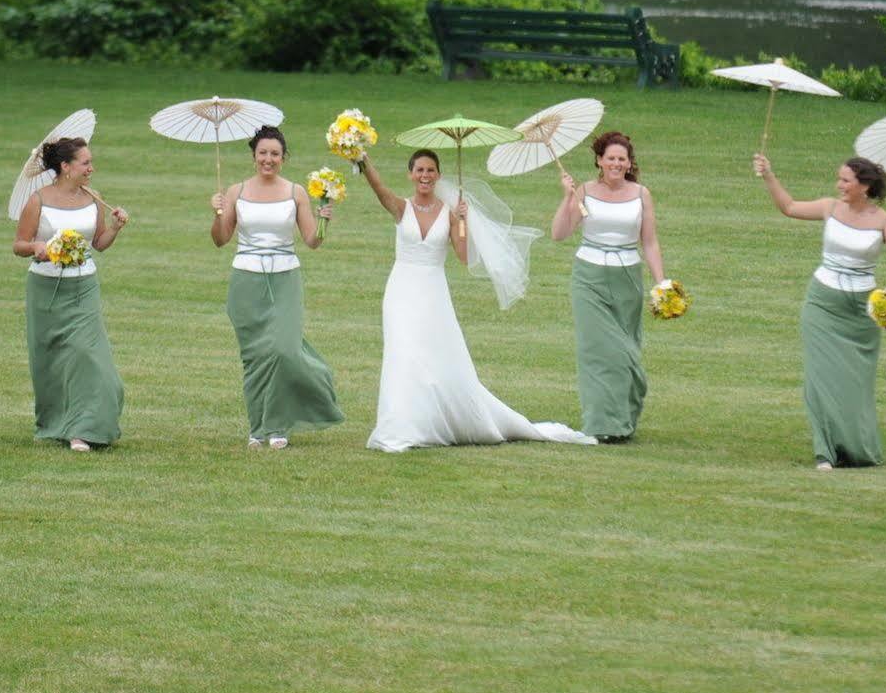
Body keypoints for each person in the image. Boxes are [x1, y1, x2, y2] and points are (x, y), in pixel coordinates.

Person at [360, 149, 592, 452]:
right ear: (410, 174)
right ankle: (401, 424)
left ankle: (442, 417)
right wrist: (363, 160)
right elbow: (379, 189)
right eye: (419, 170)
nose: (425, 176)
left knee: (436, 352)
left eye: (431, 171)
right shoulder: (401, 208)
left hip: (432, 288)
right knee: (403, 351)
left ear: (439, 175)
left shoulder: (449, 211)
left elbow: (464, 256)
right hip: (401, 288)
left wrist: (463, 223)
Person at [756, 153, 886, 470]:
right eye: (839, 179)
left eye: (845, 180)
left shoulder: (884, 221)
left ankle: (857, 449)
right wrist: (768, 175)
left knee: (856, 383)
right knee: (820, 379)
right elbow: (789, 207)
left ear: (865, 185)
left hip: (862, 312)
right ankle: (825, 452)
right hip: (822, 304)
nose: (839, 185)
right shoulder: (829, 207)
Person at [209, 125, 343, 449]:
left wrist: (324, 220)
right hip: (246, 279)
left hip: (285, 277)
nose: (268, 159)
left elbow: (312, 241)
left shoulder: (296, 192)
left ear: (283, 158)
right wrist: (217, 213)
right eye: (263, 153)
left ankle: (280, 422)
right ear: (254, 156)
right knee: (255, 357)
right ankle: (259, 428)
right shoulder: (235, 191)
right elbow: (220, 239)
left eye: (275, 154)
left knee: (285, 351)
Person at [13, 136, 129, 451]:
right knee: (52, 361)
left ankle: (87, 427)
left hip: (84, 286)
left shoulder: (94, 198)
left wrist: (116, 228)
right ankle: (57, 423)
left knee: (89, 355)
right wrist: (37, 247)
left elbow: (99, 244)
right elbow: (19, 245)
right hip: (46, 288)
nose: (91, 168)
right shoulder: (38, 201)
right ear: (65, 167)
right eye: (85, 163)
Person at [550, 131, 665, 443]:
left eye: (622, 159)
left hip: (628, 278)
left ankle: (623, 420)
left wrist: (661, 282)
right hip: (589, 277)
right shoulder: (584, 191)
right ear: (599, 161)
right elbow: (559, 234)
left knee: (627, 352)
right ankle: (600, 425)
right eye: (610, 158)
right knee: (600, 352)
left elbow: (650, 242)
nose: (616, 163)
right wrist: (567, 197)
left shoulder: (642, 194)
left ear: (629, 164)